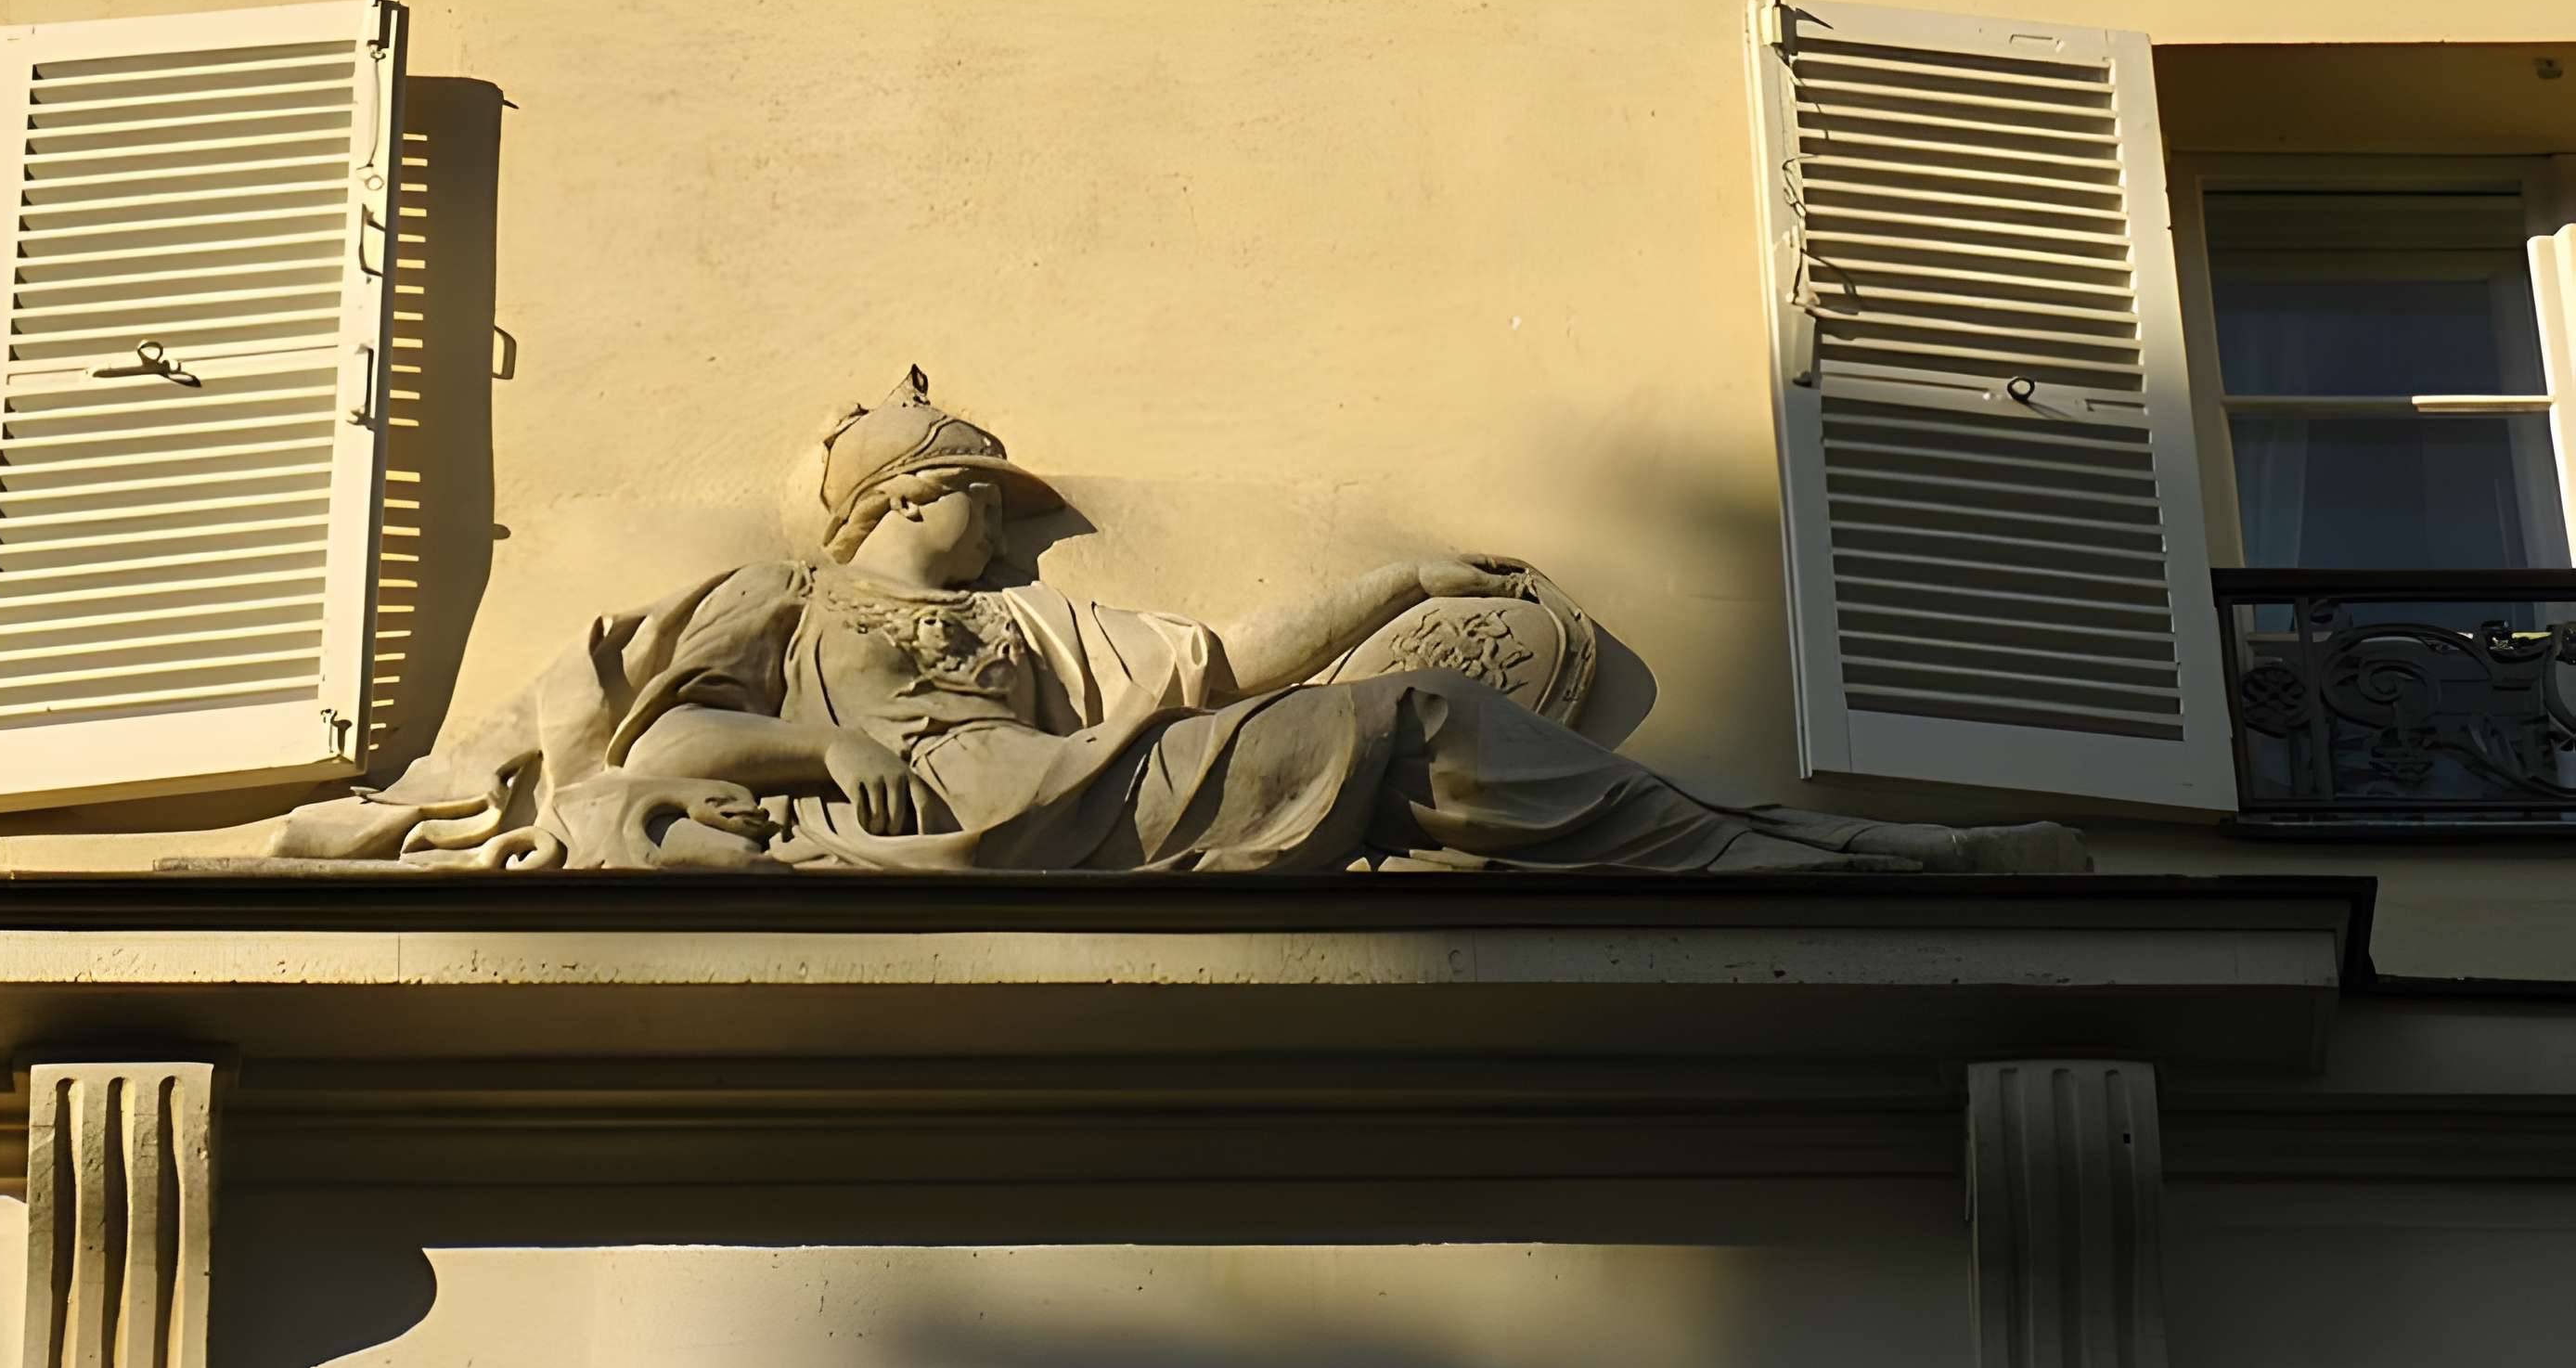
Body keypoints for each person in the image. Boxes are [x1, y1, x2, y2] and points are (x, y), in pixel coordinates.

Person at [276, 371, 2085, 875]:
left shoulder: (1041, 637)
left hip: (1071, 787)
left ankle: (1802, 855)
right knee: (1409, 733)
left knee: (1396, 712)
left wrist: (1400, 584)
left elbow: (1217, 666)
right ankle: (1791, 865)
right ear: (907, 499)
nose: (1009, 510)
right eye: (985, 486)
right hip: (973, 818)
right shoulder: (784, 601)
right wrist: (825, 743)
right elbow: (657, 749)